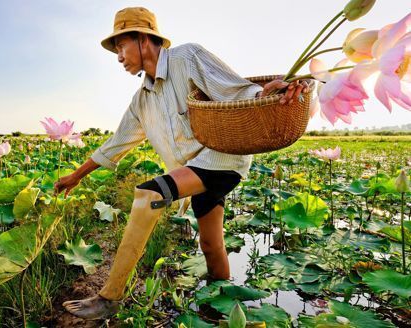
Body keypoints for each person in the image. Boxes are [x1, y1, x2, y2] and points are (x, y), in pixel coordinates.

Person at [56, 6, 307, 319]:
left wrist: (262, 95)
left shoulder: (186, 58)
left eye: (121, 46)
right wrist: (76, 176)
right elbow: (115, 144)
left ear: (144, 40)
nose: (119, 56)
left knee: (149, 194)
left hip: (222, 159)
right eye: (116, 50)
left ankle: (109, 297)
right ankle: (220, 306)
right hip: (193, 171)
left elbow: (232, 89)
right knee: (211, 244)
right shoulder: (142, 100)